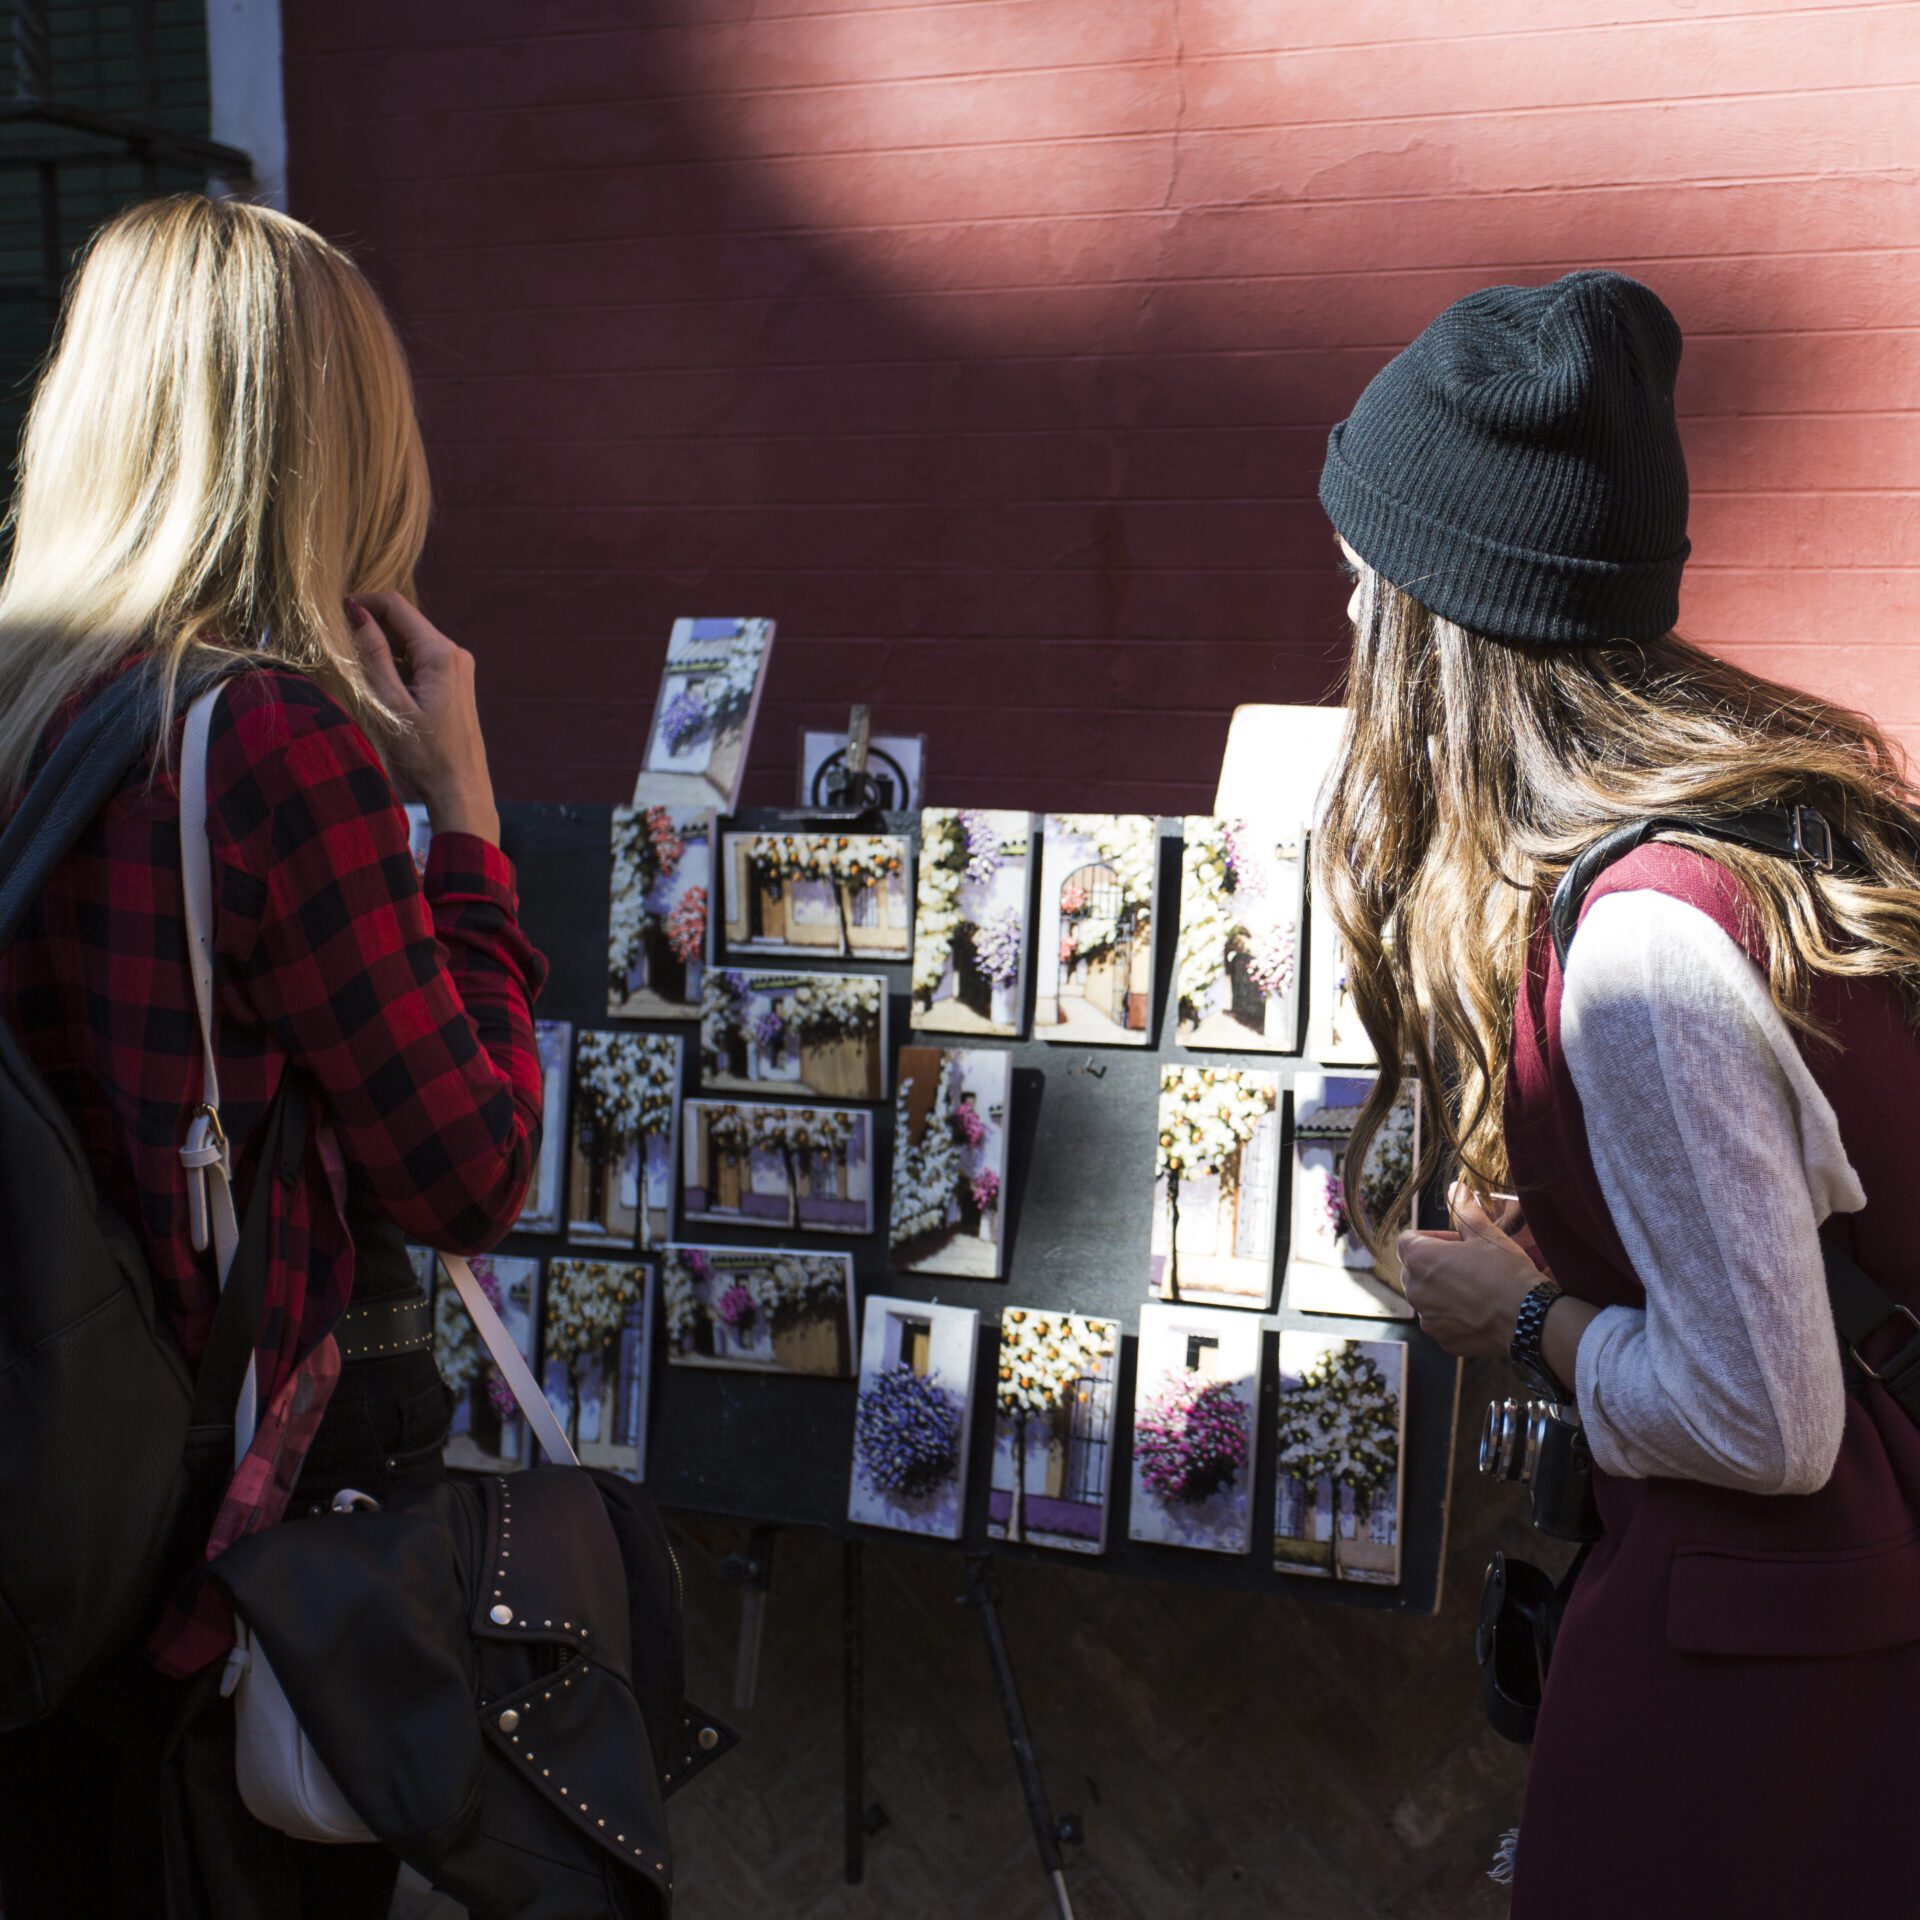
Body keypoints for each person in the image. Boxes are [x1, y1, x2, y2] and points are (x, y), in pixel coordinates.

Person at [1313, 271, 1920, 1917]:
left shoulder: (1645, 937)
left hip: (1778, 1711)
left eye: (1366, 590)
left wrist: (1524, 1318)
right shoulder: (1757, 830)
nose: (1351, 628)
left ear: (1449, 624)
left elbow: (1765, 1417)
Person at [0, 194, 547, 1916]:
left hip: (38, 1516)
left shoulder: (28, 708)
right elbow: (470, 1170)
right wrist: (462, 808)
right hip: (221, 1571)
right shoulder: (267, 742)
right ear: (334, 448)